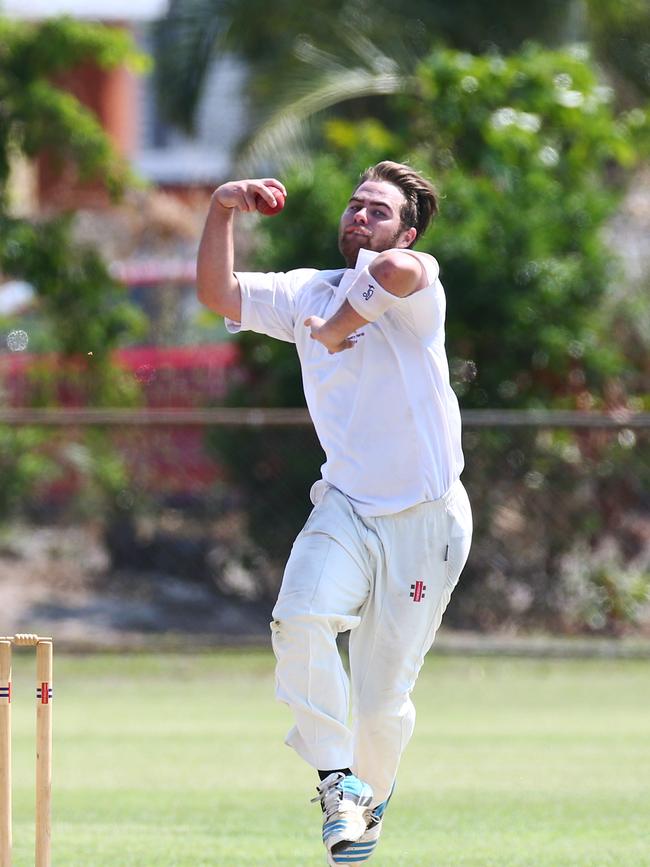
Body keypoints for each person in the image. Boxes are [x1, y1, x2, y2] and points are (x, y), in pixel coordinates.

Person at [197, 161, 473, 865]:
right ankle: (335, 779)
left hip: (426, 522)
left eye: (377, 210)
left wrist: (341, 325)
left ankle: (368, 810)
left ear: (404, 229)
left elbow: (404, 273)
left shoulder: (416, 284)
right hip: (347, 505)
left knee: (382, 705)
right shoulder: (306, 292)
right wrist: (223, 208)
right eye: (355, 205)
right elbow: (216, 291)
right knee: (299, 618)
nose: (359, 216)